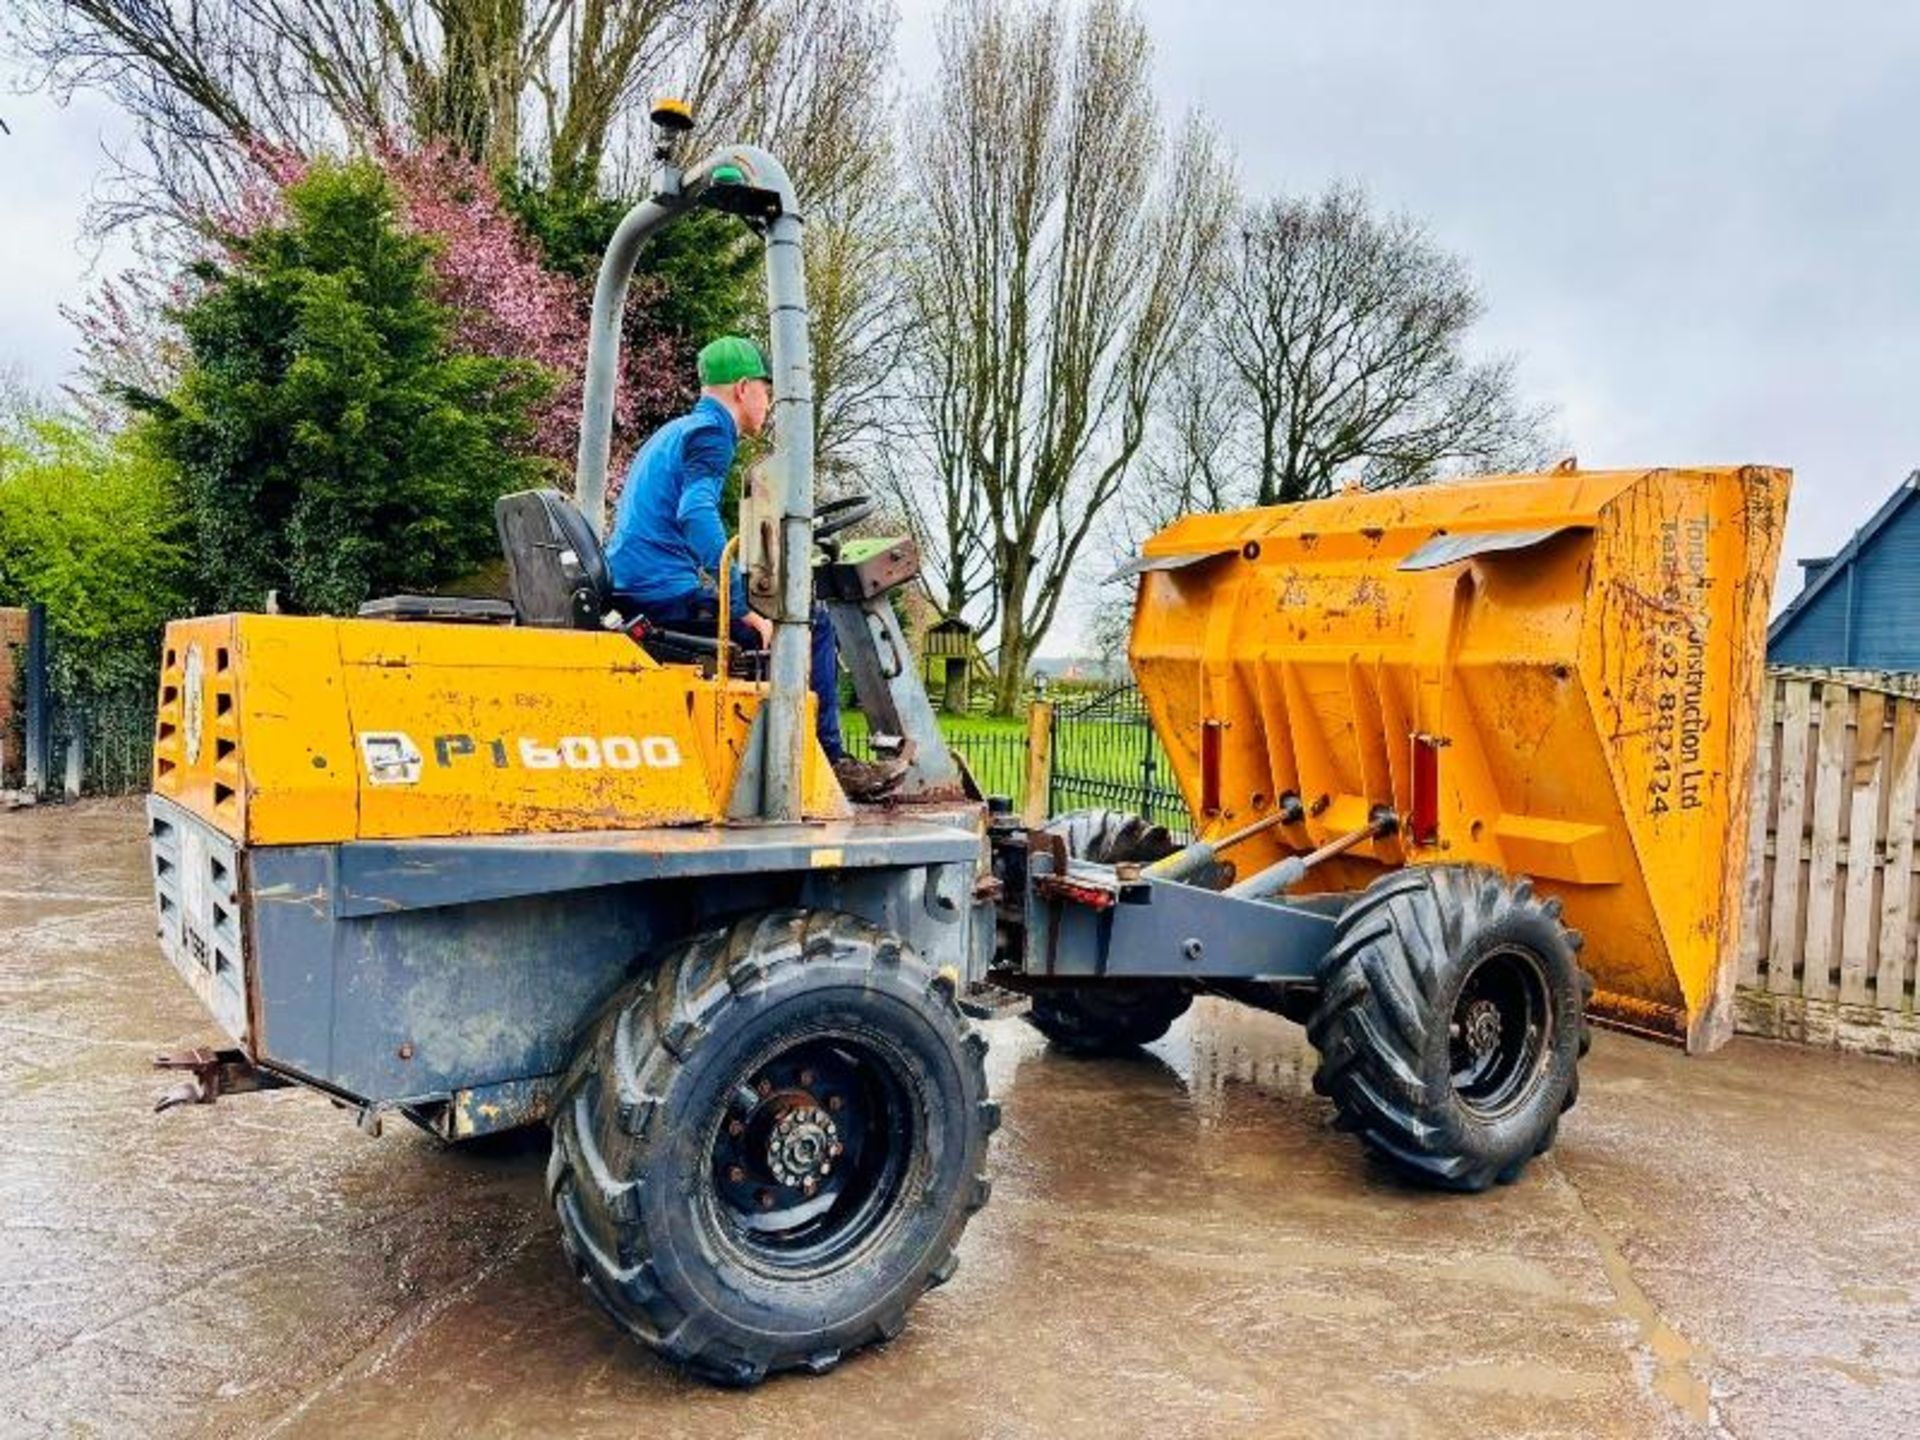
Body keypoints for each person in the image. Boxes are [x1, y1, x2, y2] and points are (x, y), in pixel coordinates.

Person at [605, 335, 904, 801]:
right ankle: (829, 761)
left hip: (636, 586)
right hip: (663, 594)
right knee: (810, 624)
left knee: (785, 621)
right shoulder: (711, 434)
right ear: (743, 388)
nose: (768, 403)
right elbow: (694, 514)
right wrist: (744, 605)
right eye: (766, 390)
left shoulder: (673, 432)